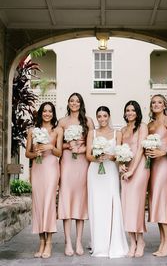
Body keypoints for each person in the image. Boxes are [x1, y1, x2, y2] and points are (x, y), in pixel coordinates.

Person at [86, 106, 128, 258]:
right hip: (95, 173)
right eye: (99, 116)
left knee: (112, 203)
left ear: (109, 116)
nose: (102, 119)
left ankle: (113, 243)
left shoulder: (118, 133)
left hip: (110, 171)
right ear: (97, 118)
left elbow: (119, 155)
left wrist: (111, 157)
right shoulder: (92, 133)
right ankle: (99, 244)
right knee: (96, 206)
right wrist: (96, 157)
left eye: (105, 116)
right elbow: (88, 156)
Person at [57, 93, 94, 256]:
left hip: (82, 163)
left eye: (77, 101)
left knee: (80, 201)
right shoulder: (62, 122)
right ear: (68, 103)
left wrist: (81, 148)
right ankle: (68, 242)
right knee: (67, 199)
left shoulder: (88, 121)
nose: (74, 103)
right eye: (71, 100)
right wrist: (68, 145)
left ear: (81, 103)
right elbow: (57, 146)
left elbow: (92, 145)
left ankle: (79, 241)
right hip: (67, 162)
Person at [25, 102, 63, 258]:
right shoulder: (32, 131)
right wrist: (36, 154)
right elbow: (27, 153)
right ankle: (41, 241)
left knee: (48, 204)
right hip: (38, 169)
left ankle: (49, 243)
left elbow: (59, 152)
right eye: (44, 111)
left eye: (50, 111)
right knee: (38, 204)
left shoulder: (58, 130)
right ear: (40, 113)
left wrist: (49, 147)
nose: (47, 114)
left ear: (53, 114)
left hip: (51, 169)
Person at [146, 94, 167, 257]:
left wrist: (161, 151)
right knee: (156, 202)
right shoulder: (150, 124)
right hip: (152, 166)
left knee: (162, 201)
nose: (156, 105)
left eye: (159, 102)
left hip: (164, 165)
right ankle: (163, 241)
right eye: (153, 103)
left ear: (165, 105)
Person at [120, 100, 150, 258]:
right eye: (127, 110)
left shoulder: (142, 126)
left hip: (139, 169)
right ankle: (132, 242)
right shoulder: (123, 130)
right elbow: (120, 152)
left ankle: (141, 240)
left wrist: (132, 170)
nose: (130, 113)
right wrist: (121, 166)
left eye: (133, 110)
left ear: (137, 112)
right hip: (126, 170)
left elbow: (140, 149)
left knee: (136, 206)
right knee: (127, 206)